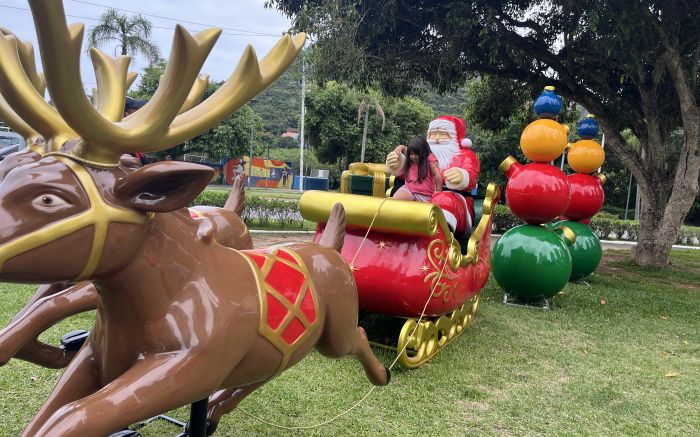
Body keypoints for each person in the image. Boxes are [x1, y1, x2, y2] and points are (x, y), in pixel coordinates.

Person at [386, 116, 480, 235]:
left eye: (442, 134)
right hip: (416, 191)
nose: (436, 139)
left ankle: (441, 236)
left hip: (453, 198)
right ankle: (394, 231)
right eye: (433, 134)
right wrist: (398, 163)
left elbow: (471, 175)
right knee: (397, 199)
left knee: (442, 201)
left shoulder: (465, 155)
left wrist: (463, 176)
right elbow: (409, 171)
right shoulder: (421, 152)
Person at [392, 137, 442, 202]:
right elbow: (403, 148)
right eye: (411, 154)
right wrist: (399, 148)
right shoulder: (410, 155)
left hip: (425, 194)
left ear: (423, 152)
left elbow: (436, 175)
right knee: (395, 200)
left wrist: (438, 192)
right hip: (409, 189)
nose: (413, 157)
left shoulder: (430, 159)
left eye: (416, 154)